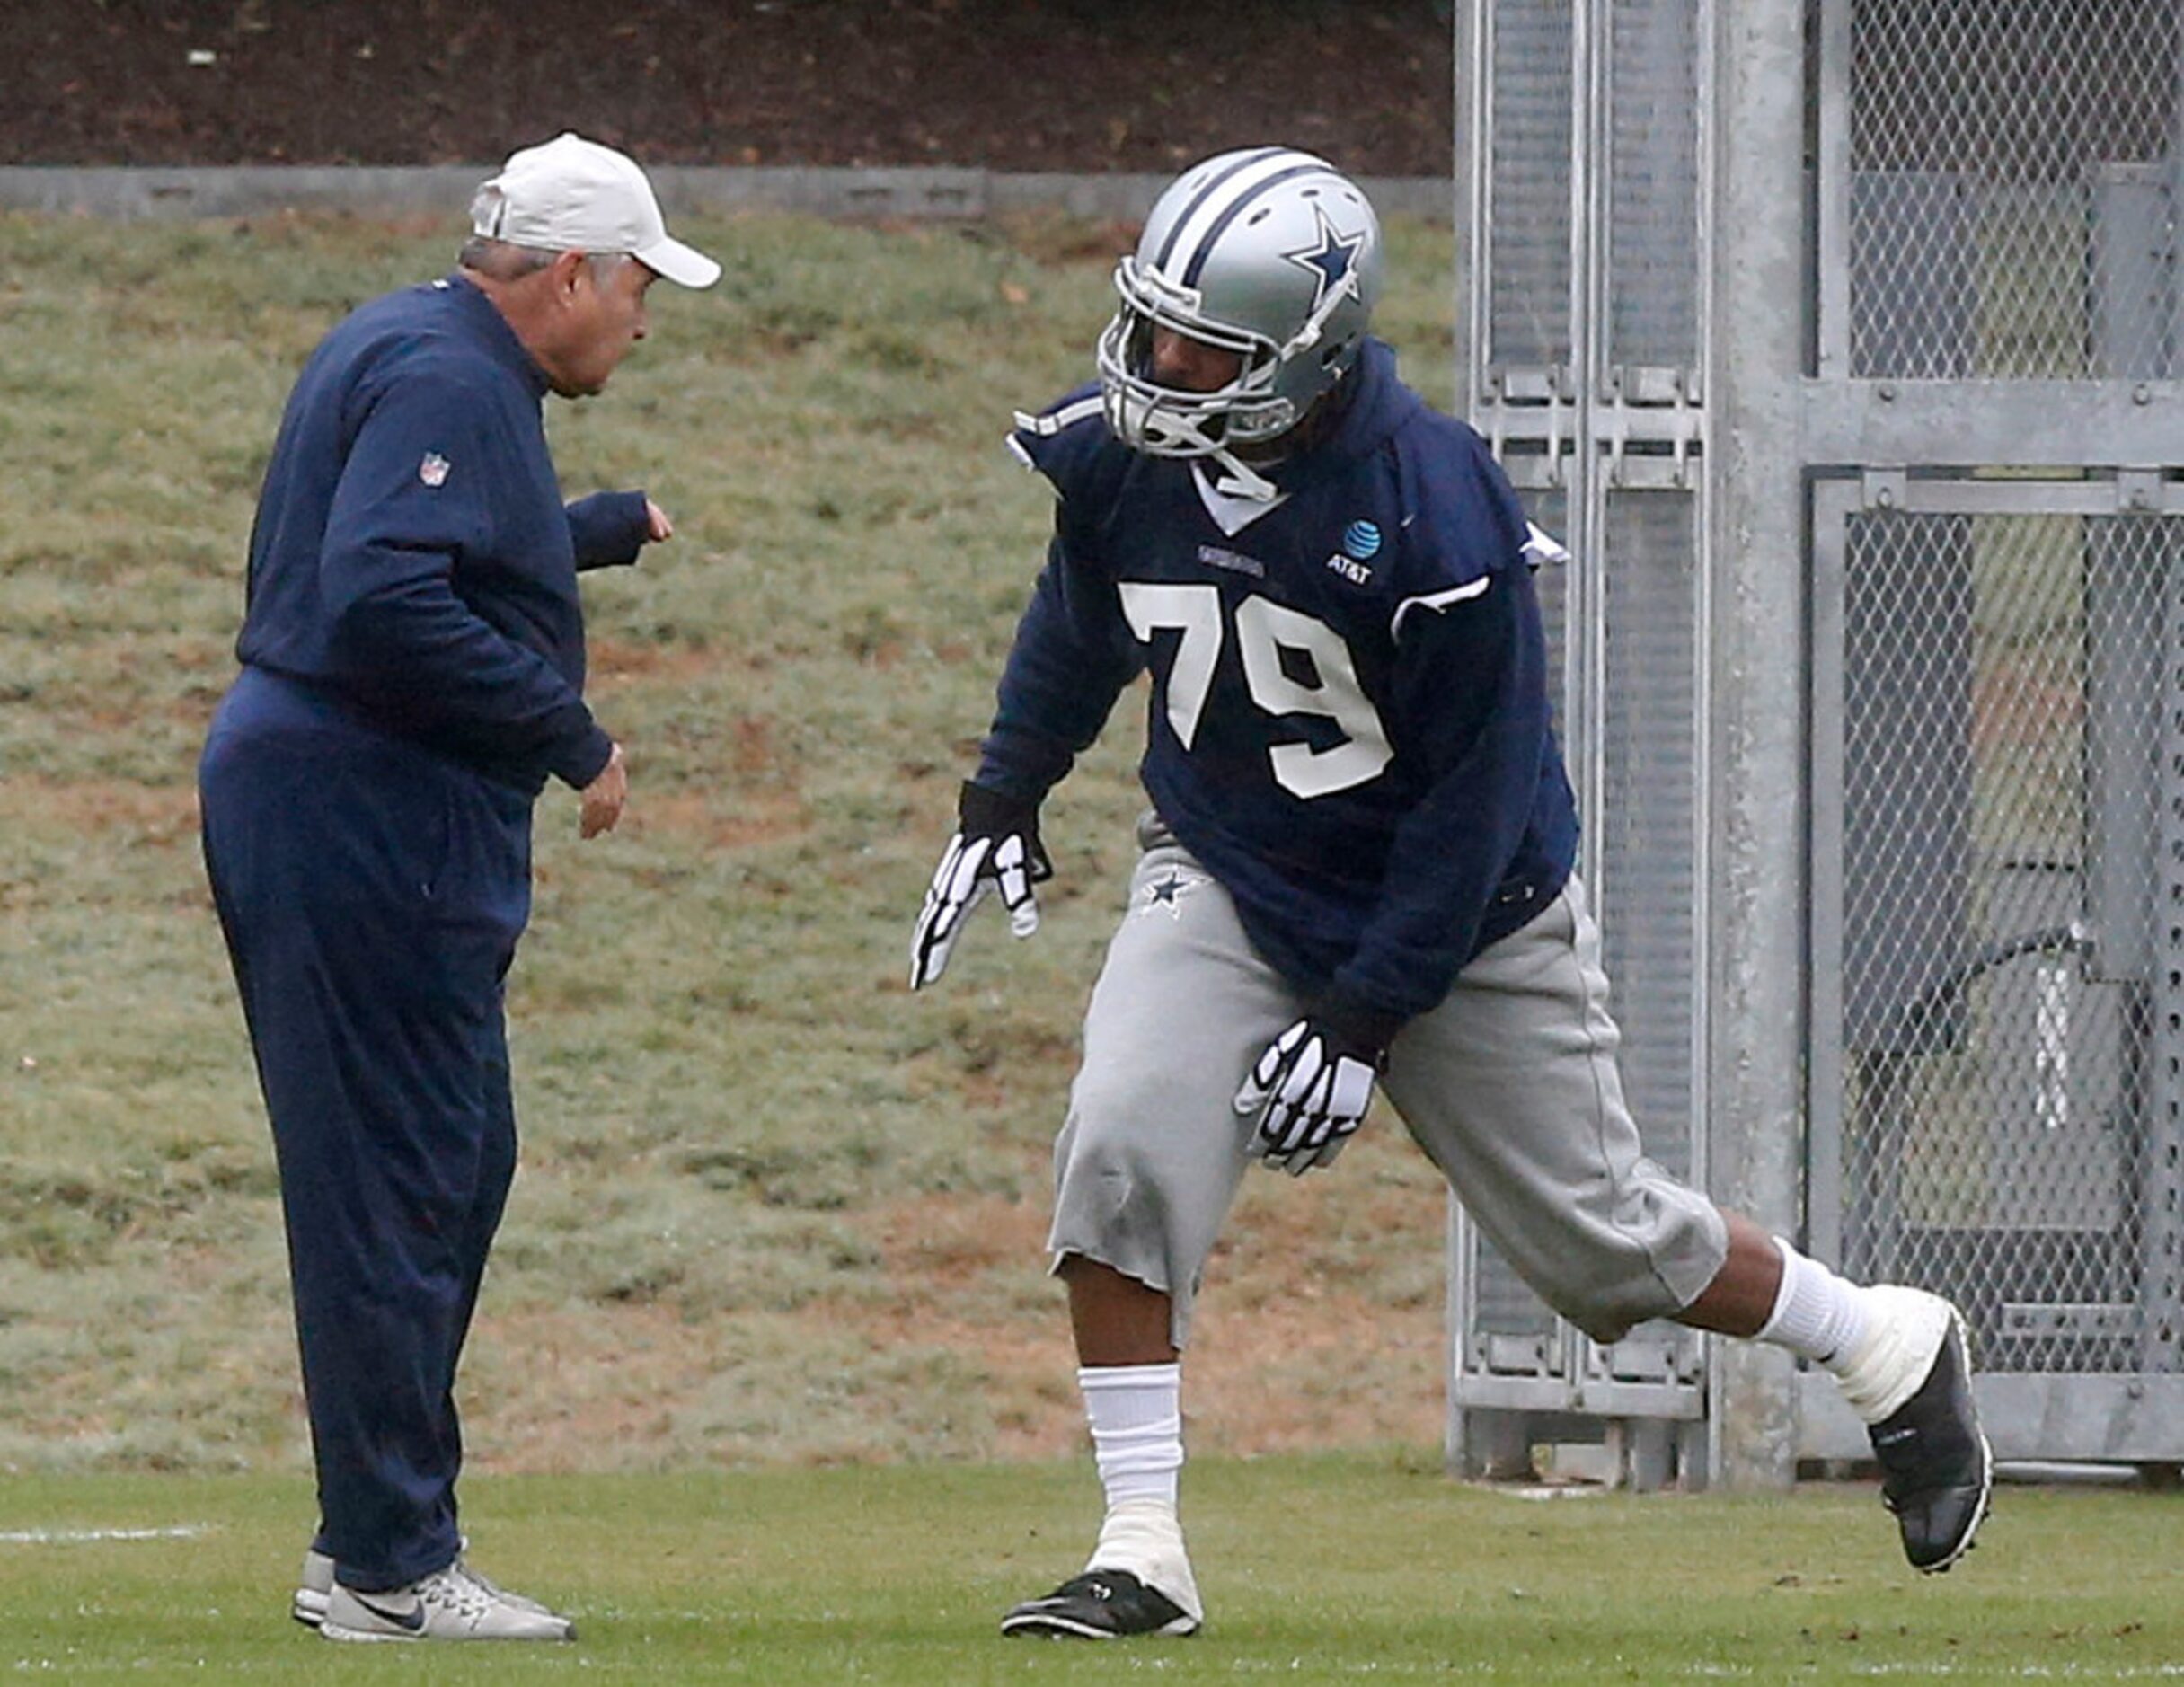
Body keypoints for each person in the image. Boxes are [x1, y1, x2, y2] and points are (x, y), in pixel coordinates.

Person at [909, 146, 1991, 1641]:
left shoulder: (1427, 503)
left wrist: (1360, 1021)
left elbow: (1474, 804)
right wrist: (1003, 788)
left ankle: (1881, 1339)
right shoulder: (1120, 451)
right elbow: (1087, 613)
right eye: (1153, 329)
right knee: (1117, 1149)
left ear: (1311, 349)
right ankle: (1141, 1544)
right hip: (1229, 869)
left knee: (1602, 1249)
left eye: (1204, 347)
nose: (1162, 368)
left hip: (1465, 910)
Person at [199, 131, 719, 1644]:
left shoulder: (407, 338)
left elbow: (407, 558)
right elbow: (376, 597)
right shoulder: (450, 377)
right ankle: (386, 1564)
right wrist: (571, 733)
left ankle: (377, 1539)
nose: (642, 316)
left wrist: (585, 540)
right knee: (398, 1184)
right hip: (363, 812)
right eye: (636, 285)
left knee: (449, 1164)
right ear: (567, 274)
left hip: (331, 795)